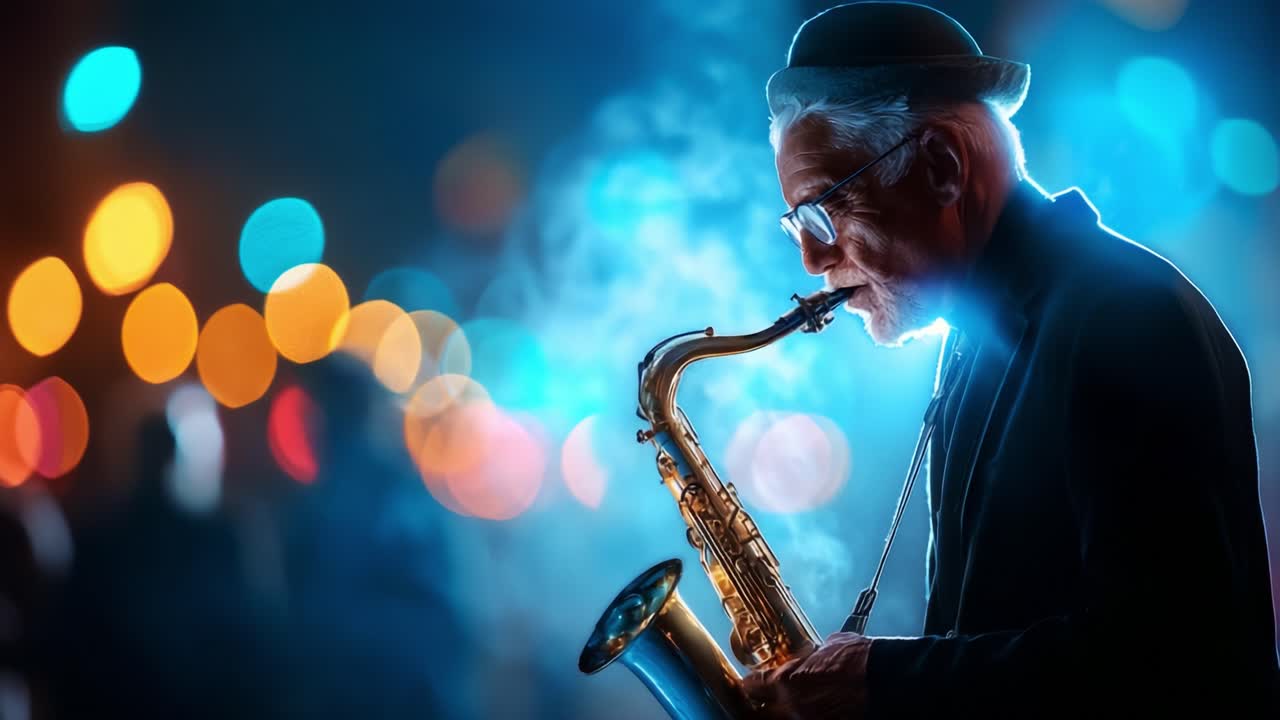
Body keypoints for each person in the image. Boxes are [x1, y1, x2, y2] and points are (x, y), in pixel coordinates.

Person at [742, 2, 1280, 718]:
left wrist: (886, 681)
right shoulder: (974, 339)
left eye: (823, 211)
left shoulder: (1125, 315)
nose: (811, 258)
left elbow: (1175, 656)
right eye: (797, 225)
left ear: (940, 166)